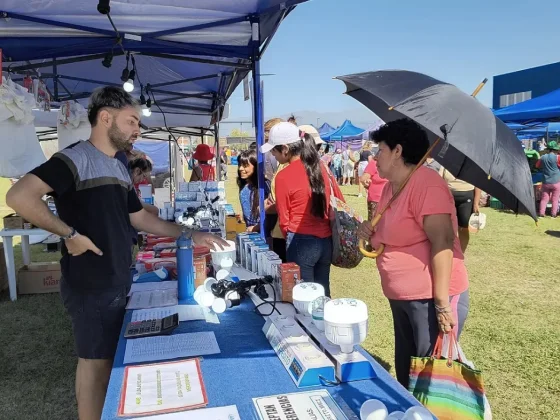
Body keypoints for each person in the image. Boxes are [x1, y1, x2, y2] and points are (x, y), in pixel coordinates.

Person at [5, 86, 228, 420]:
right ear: (105, 117)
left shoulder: (118, 166)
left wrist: (191, 233)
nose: (137, 129)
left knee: (102, 362)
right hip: (91, 281)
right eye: (131, 121)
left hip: (117, 277)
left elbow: (137, 217)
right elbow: (19, 196)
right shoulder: (73, 158)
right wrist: (70, 234)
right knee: (95, 365)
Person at [357, 119, 469, 389]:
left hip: (430, 298)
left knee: (430, 379)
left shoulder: (426, 183)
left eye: (379, 150)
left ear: (397, 151)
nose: (374, 157)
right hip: (402, 297)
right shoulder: (389, 188)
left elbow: (442, 242)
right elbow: (387, 239)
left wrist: (441, 304)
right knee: (407, 372)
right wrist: (369, 233)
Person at [263, 122, 339, 295]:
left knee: (304, 297)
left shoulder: (283, 175)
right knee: (323, 294)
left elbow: (284, 219)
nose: (273, 156)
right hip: (326, 241)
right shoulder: (321, 168)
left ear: (285, 149)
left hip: (301, 241)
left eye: (274, 151)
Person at [439, 167, 481, 253]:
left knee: (463, 228)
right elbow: (439, 179)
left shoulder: (472, 164)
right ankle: (448, 252)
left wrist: (476, 203)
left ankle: (461, 254)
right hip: (449, 197)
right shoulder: (446, 162)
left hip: (467, 197)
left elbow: (478, 184)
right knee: (448, 227)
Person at [237, 149, 268, 231]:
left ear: (255, 166)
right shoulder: (245, 185)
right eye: (240, 165)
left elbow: (271, 217)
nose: (240, 168)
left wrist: (256, 228)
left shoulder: (264, 187)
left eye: (245, 165)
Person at [536, 140, 560, 218]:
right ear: (555, 150)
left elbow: (537, 166)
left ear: (548, 149)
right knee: (555, 199)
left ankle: (541, 213)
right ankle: (553, 214)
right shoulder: (558, 157)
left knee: (544, 198)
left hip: (546, 181)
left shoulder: (543, 157)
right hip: (556, 181)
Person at [360, 156, 387, 221]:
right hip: (375, 199)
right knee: (373, 224)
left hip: (390, 199)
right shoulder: (374, 163)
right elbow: (363, 178)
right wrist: (366, 182)